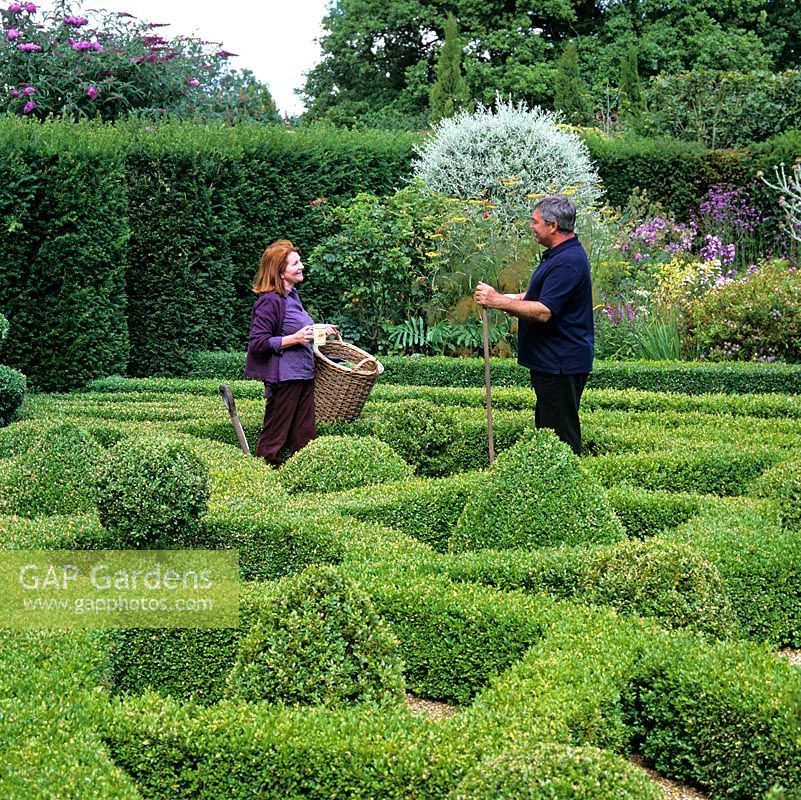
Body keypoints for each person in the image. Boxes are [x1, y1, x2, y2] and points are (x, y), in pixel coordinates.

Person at [475, 194, 593, 455]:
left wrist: (497, 301)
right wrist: (503, 298)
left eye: (535, 221)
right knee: (547, 430)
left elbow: (543, 311)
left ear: (553, 226)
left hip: (561, 363)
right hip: (552, 361)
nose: (531, 226)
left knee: (560, 439)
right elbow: (537, 297)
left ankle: (567, 490)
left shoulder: (568, 262)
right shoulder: (558, 255)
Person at [244, 239, 336, 466]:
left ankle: (301, 479)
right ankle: (263, 480)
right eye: (295, 263)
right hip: (285, 378)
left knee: (304, 438)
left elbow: (302, 331)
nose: (301, 266)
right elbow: (258, 342)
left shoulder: (292, 296)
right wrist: (292, 339)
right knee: (273, 440)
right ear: (280, 271)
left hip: (304, 375)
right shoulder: (269, 301)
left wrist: (320, 331)